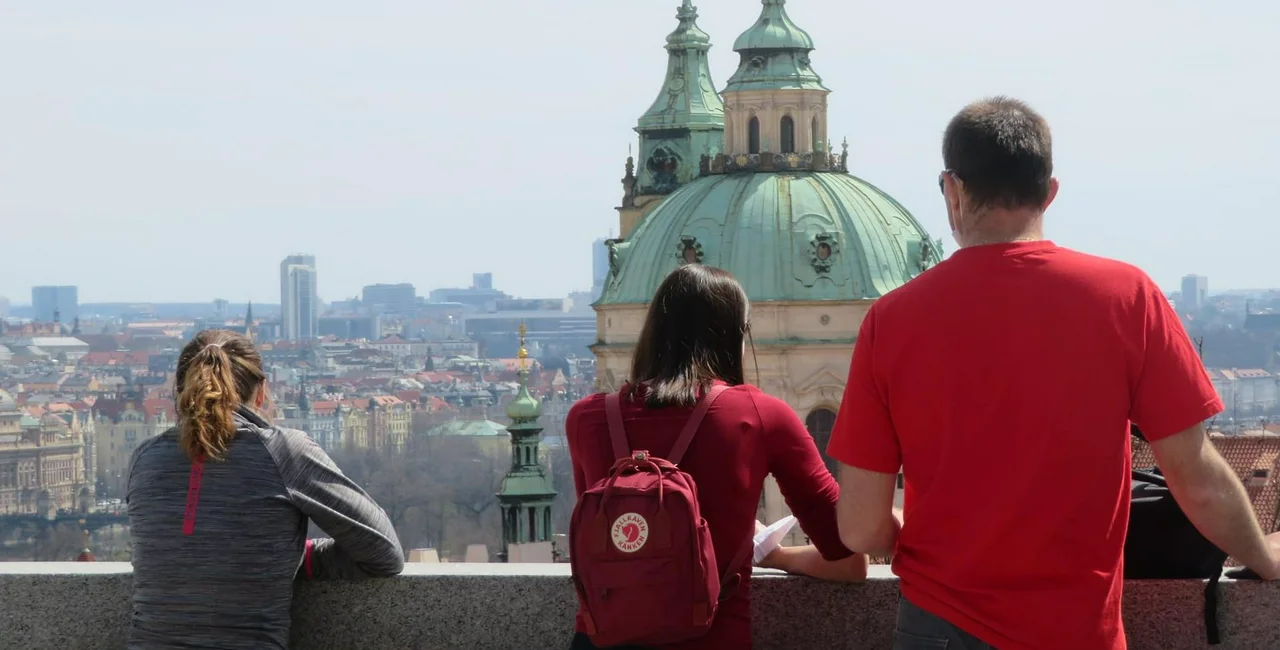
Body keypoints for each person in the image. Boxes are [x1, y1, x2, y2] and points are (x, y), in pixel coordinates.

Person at [827, 96, 1280, 650]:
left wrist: (925, 549)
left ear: (952, 190)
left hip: (938, 625)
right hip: (1075, 631)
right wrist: (1263, 556)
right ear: (1050, 191)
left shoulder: (890, 320)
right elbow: (1197, 478)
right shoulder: (1127, 297)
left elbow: (860, 527)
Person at [567, 264, 867, 650]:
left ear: (651, 334)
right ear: (735, 338)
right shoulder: (760, 415)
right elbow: (848, 560)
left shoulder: (586, 418)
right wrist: (772, 554)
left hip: (599, 640)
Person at [127, 330, 404, 650]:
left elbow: (183, 555)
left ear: (181, 392)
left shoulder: (145, 459)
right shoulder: (284, 450)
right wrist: (298, 557)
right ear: (261, 393)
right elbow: (385, 553)